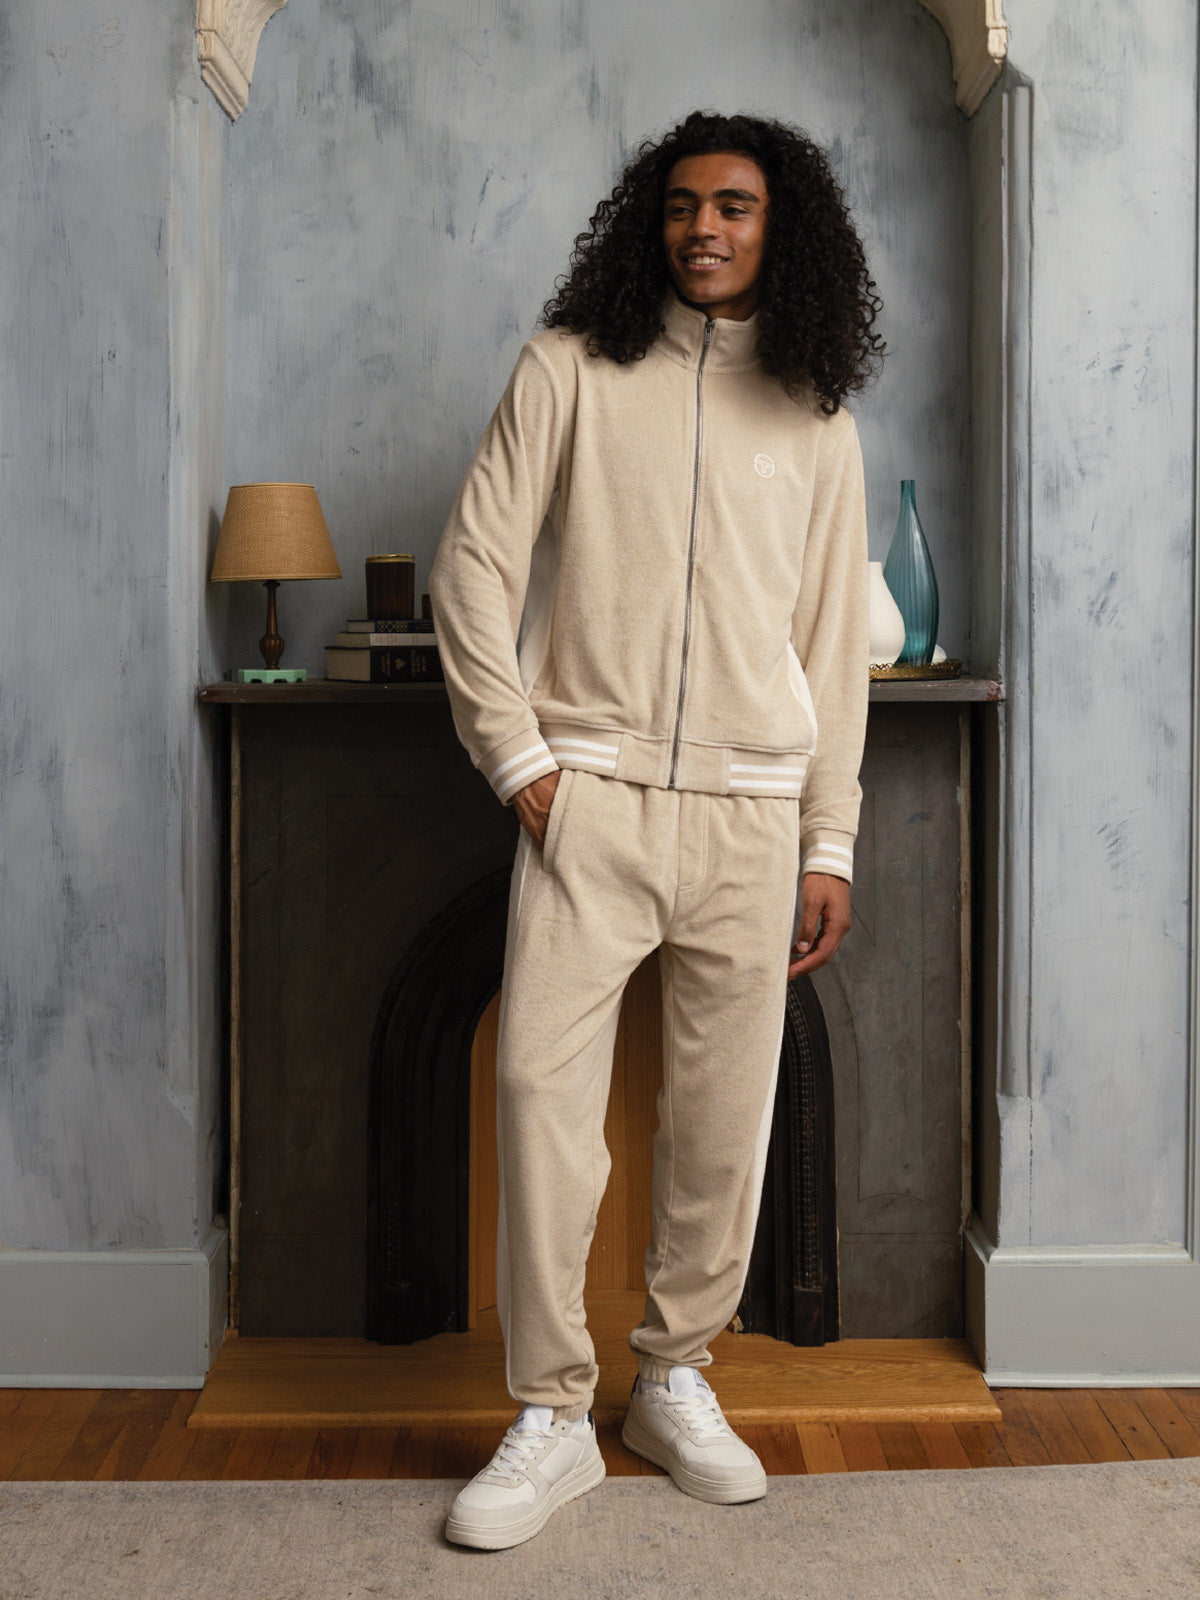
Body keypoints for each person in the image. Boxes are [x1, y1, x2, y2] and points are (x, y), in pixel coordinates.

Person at [427, 108, 884, 1551]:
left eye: (734, 206)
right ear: (651, 221)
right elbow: (474, 566)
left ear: (777, 227)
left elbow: (832, 650)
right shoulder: (568, 369)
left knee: (723, 1121)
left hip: (753, 817)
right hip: (592, 804)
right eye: (683, 205)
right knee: (537, 1094)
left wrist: (828, 842)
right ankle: (553, 1412)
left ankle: (674, 1378)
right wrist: (520, 761)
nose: (705, 228)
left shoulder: (816, 417)